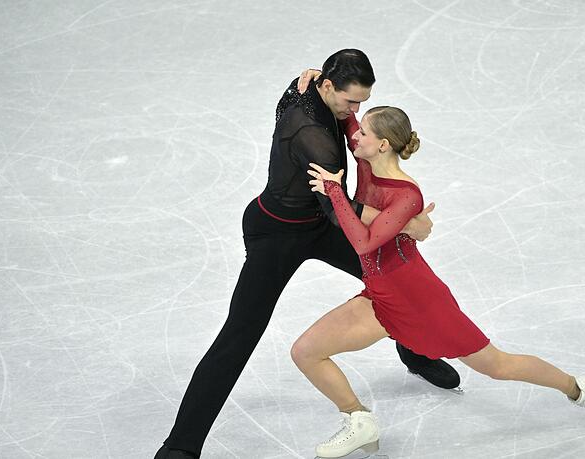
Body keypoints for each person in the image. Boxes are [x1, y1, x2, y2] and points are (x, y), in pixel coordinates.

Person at [155, 49, 460, 459]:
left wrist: (312, 78)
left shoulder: (308, 89)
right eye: (351, 102)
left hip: (317, 224)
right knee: (240, 333)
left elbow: (292, 96)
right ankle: (181, 446)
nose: (356, 113)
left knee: (398, 281)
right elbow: (336, 211)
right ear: (329, 87)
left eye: (362, 102)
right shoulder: (314, 139)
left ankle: (416, 353)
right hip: (277, 234)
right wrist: (406, 221)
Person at [293, 106, 585, 458]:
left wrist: (334, 191)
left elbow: (364, 242)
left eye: (364, 133)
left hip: (418, 297)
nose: (355, 138)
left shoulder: (408, 195)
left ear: (383, 145)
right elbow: (348, 118)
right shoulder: (367, 162)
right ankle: (358, 420)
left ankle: (579, 388)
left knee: (497, 365)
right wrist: (318, 84)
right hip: (380, 294)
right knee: (306, 351)